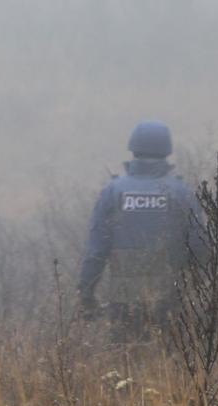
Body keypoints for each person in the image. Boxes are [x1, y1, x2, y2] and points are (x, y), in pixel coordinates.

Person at [77, 121, 202, 340]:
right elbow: (200, 247)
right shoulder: (181, 193)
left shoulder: (113, 192)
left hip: (124, 297)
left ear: (133, 149)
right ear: (166, 151)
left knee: (126, 362)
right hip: (171, 296)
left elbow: (96, 251)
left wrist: (86, 293)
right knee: (170, 363)